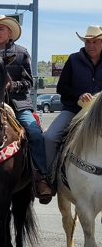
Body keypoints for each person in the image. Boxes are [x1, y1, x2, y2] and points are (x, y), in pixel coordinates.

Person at [0, 15, 52, 198]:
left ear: (10, 32)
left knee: (35, 134)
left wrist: (10, 85)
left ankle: (41, 177)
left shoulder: (21, 52)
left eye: (1, 29)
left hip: (19, 104)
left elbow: (28, 81)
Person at [44, 25, 102, 171]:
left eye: (94, 42)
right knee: (50, 138)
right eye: (87, 42)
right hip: (73, 109)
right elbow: (61, 87)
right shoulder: (73, 59)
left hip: (100, 112)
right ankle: (48, 177)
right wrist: (78, 96)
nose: (90, 45)